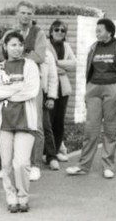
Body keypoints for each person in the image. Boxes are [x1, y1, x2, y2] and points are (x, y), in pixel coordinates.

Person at [66, 18, 116, 178]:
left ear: (109, 32)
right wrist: (88, 87)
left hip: (114, 89)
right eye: (96, 30)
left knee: (111, 129)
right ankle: (83, 166)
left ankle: (108, 166)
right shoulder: (94, 47)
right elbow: (89, 69)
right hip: (94, 88)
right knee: (91, 129)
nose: (96, 33)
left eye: (99, 30)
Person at [0, 31, 40, 213]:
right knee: (6, 164)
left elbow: (32, 91)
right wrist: (17, 88)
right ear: (5, 47)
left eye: (20, 44)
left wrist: (7, 90)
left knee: (21, 163)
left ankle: (23, 197)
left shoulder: (30, 66)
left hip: (25, 121)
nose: (17, 48)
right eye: (13, 45)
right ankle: (11, 197)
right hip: (3, 122)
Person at [0, 1, 46, 181]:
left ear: (33, 15)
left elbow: (40, 56)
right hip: (12, 81)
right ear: (17, 13)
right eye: (22, 12)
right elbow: (1, 52)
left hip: (32, 83)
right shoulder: (9, 33)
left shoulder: (38, 33)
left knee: (36, 123)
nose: (25, 16)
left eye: (28, 13)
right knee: (10, 123)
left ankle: (35, 165)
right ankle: (7, 166)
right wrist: (23, 53)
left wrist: (17, 54)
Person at [46, 19, 77, 163]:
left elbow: (74, 64)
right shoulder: (45, 45)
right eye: (56, 30)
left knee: (59, 122)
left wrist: (56, 64)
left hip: (63, 89)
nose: (59, 32)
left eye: (62, 30)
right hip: (49, 88)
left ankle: (57, 150)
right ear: (51, 32)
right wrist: (59, 68)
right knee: (48, 122)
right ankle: (48, 153)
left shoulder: (66, 46)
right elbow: (44, 65)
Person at [40, 49, 59, 170]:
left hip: (42, 94)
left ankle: (51, 156)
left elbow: (52, 77)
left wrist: (51, 97)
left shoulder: (47, 54)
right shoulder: (22, 51)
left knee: (45, 126)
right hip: (24, 93)